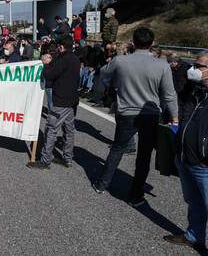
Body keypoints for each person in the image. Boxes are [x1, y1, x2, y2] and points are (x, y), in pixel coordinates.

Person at [92, 27, 179, 208]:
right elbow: (169, 95)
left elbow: (104, 72)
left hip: (126, 112)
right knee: (144, 155)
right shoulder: (162, 65)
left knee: (117, 149)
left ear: (133, 43)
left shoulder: (121, 61)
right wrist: (175, 117)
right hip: (150, 114)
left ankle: (102, 184)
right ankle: (136, 195)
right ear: (152, 44)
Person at [164, 51, 208, 252]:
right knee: (193, 201)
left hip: (203, 163)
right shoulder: (196, 90)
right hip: (185, 156)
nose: (194, 70)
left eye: (199, 67)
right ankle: (194, 236)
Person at [27, 35, 79, 170]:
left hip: (61, 101)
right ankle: (67, 159)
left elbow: (50, 75)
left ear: (61, 46)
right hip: (72, 100)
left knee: (50, 130)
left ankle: (45, 161)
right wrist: (52, 62)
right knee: (69, 130)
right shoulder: (74, 58)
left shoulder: (62, 61)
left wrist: (46, 65)